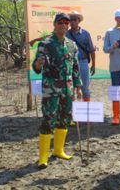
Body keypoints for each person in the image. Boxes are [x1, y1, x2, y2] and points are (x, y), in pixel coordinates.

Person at [32, 13, 82, 168]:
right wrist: (39, 65)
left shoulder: (72, 45)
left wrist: (78, 87)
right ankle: (43, 157)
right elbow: (36, 67)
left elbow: (75, 67)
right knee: (48, 121)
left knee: (65, 119)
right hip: (51, 90)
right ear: (54, 24)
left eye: (66, 22)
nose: (64, 25)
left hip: (67, 90)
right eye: (60, 22)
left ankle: (58, 150)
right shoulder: (45, 44)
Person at [66, 11, 96, 102]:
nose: (72, 22)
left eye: (74, 19)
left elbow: (91, 50)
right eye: (70, 20)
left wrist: (93, 65)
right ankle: (73, 112)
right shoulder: (66, 34)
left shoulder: (86, 34)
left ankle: (86, 111)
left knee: (85, 89)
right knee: (71, 89)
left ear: (79, 21)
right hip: (70, 63)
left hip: (83, 63)